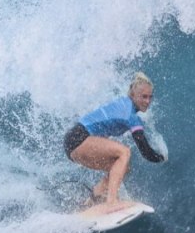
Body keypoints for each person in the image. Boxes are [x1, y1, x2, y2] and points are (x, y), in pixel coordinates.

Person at [63, 72, 165, 213]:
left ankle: (92, 201)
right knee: (124, 152)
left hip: (74, 143)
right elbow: (145, 151)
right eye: (143, 96)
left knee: (122, 168)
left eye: (150, 97)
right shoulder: (131, 115)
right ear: (133, 95)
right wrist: (162, 158)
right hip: (78, 138)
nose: (147, 101)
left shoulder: (123, 104)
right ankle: (112, 202)